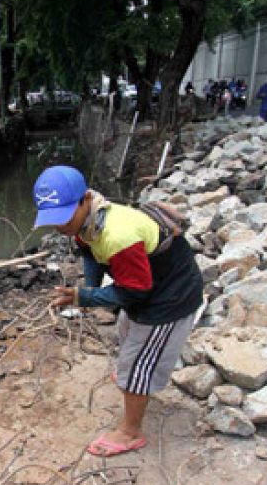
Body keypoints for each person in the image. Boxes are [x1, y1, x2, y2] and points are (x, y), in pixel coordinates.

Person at [34, 166, 203, 457]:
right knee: (126, 329)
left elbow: (134, 292)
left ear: (85, 199)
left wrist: (83, 297)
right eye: (53, 220)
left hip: (170, 296)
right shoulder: (86, 224)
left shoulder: (117, 236)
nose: (60, 226)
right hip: (150, 284)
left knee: (137, 361)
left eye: (63, 217)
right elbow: (89, 252)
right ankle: (133, 377)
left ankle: (130, 431)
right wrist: (90, 286)